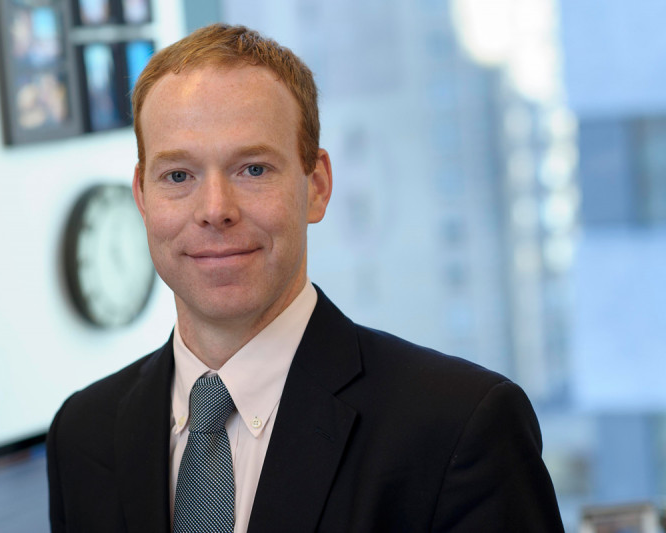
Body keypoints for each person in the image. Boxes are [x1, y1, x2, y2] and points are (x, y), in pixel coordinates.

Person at [46, 23, 565, 532]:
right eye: (178, 175)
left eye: (253, 169)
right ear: (142, 196)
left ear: (316, 186)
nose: (215, 210)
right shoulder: (83, 434)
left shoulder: (459, 426)